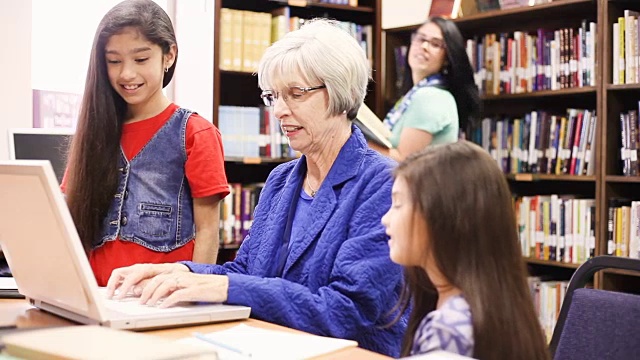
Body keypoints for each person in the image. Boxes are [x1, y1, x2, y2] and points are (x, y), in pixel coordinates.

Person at [105, 19, 406, 357]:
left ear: (339, 92)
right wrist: (180, 272)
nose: (278, 110)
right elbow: (245, 273)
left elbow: (345, 311)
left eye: (295, 94)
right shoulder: (281, 181)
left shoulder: (384, 183)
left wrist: (224, 285)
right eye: (273, 96)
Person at [63, 0, 229, 286]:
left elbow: (207, 232)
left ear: (169, 56)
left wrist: (194, 295)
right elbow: (68, 214)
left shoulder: (195, 133)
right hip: (96, 296)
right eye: (114, 61)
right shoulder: (94, 131)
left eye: (141, 59)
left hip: (161, 302)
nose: (126, 73)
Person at [382, 141, 549, 359]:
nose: (385, 219)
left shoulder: (447, 331)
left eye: (398, 204)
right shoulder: (500, 307)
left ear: (442, 218)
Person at [371, 17, 481, 162]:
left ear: (447, 58)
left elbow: (403, 162)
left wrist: (358, 143)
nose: (424, 46)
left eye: (435, 44)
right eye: (420, 38)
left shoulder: (430, 97)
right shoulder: (413, 95)